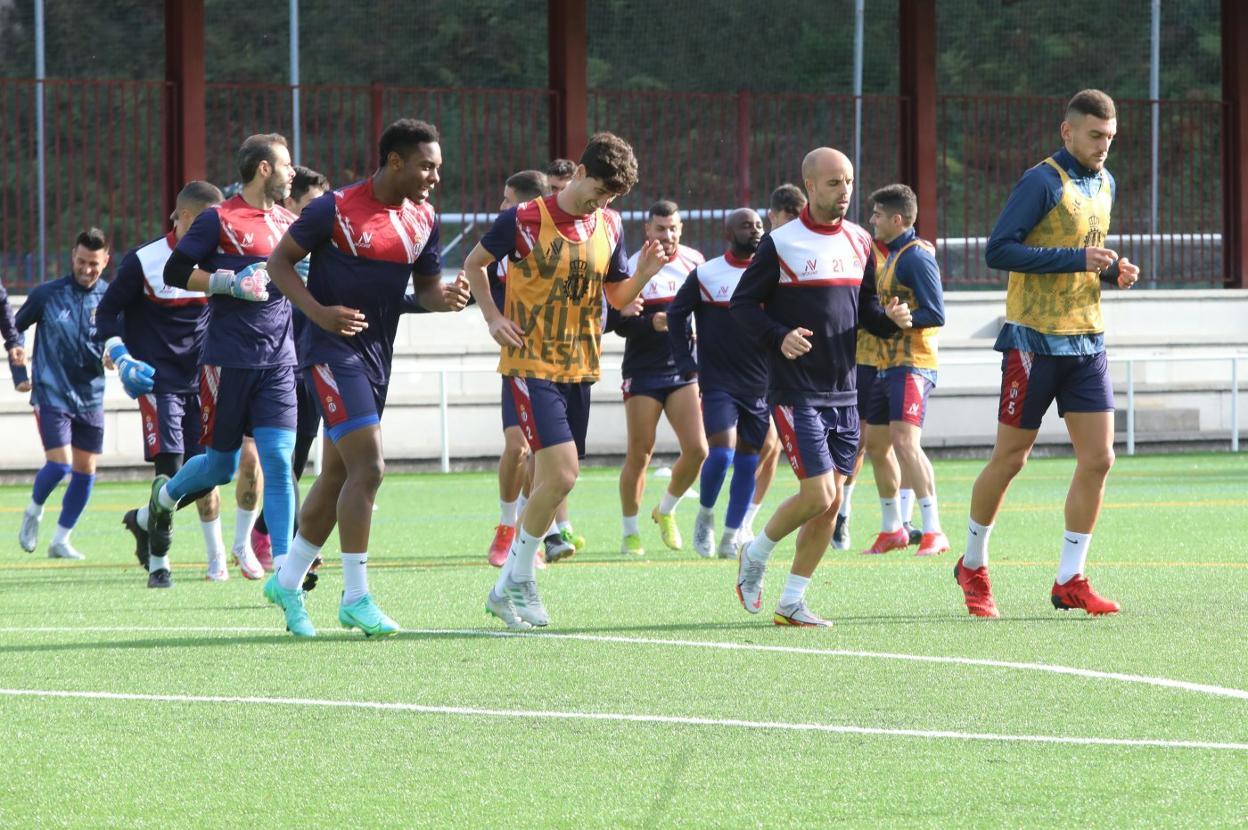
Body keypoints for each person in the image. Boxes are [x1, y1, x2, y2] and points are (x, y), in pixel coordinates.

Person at [266, 118, 470, 638]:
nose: (434, 177)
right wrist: (319, 312)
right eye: (427, 166)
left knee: (338, 474)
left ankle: (287, 581)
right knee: (371, 468)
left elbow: (424, 289)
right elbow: (279, 263)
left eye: (439, 168)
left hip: (377, 356)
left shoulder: (424, 219)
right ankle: (356, 596)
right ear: (395, 161)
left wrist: (442, 299)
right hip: (330, 351)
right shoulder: (332, 208)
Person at [465, 131, 665, 630]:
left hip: (580, 364)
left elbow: (617, 298)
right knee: (564, 474)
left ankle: (505, 586)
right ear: (578, 172)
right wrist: (492, 317)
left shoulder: (609, 224)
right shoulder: (524, 218)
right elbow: (475, 265)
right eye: (598, 191)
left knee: (557, 481)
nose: (602, 202)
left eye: (612, 197)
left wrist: (643, 273)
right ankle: (522, 579)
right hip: (530, 363)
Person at [956, 89, 1139, 618]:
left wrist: (1111, 269)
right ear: (1068, 132)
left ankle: (1070, 578)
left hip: (1087, 339)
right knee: (1010, 459)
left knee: (1099, 458)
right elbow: (999, 250)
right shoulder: (1040, 181)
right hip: (1033, 341)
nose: (1103, 146)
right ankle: (972, 564)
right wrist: (1077, 258)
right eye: (1094, 135)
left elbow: (1085, 250)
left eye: (1110, 137)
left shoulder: (1106, 182)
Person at [730, 147, 911, 627]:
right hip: (795, 390)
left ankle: (792, 600)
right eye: (833, 183)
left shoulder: (858, 241)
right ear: (809, 186)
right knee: (818, 493)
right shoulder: (782, 243)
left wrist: (890, 321)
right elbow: (743, 306)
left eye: (848, 181)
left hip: (845, 392)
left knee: (831, 503)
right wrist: (779, 336)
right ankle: (756, 552)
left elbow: (865, 309)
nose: (844, 191)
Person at [135, 133, 299, 592]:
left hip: (279, 361)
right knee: (221, 468)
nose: (292, 172)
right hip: (228, 362)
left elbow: (306, 276)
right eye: (285, 165)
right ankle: (164, 498)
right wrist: (227, 282)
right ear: (263, 169)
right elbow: (174, 271)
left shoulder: (289, 222)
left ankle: (285, 570)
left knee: (278, 462)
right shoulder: (219, 219)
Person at [97, 181, 238, 585]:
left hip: (206, 381)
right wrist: (122, 358)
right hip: (157, 382)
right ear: (192, 219)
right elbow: (106, 314)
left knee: (210, 472)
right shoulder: (145, 260)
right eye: (214, 221)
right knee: (171, 466)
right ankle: (160, 565)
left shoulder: (220, 260)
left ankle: (143, 518)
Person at [666, 208, 766, 559]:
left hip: (762, 381)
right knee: (721, 452)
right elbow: (676, 313)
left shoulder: (772, 274)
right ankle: (705, 514)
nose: (754, 230)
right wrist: (684, 361)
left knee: (749, 459)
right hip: (719, 379)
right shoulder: (707, 274)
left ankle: (730, 534)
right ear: (728, 232)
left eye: (758, 225)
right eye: (745, 225)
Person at [250, 164, 332, 569]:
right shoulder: (278, 252)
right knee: (265, 461)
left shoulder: (327, 251)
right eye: (311, 206)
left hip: (314, 362)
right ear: (290, 205)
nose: (320, 214)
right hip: (274, 365)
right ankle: (282, 539)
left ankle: (266, 531)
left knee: (295, 459)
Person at [860, 183, 949, 557]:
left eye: (878, 215)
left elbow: (936, 313)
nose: (872, 221)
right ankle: (891, 528)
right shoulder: (891, 255)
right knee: (878, 445)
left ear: (897, 219)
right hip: (884, 363)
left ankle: (933, 530)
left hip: (913, 363)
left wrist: (902, 319)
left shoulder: (915, 256)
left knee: (904, 442)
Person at [615, 200, 708, 555]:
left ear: (680, 229)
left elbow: (707, 308)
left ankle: (665, 510)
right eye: (659, 229)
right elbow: (619, 323)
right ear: (647, 231)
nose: (666, 235)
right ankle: (630, 532)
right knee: (640, 454)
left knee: (698, 449)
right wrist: (649, 324)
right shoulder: (629, 267)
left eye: (672, 229)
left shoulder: (695, 262)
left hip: (683, 369)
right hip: (642, 370)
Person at [15, 229, 111, 560]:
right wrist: (19, 373)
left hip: (91, 395)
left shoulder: (111, 299)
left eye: (94, 264)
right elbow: (15, 331)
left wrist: (117, 356)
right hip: (51, 391)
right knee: (60, 467)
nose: (86, 269)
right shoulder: (47, 294)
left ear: (106, 261)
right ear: (73, 257)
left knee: (86, 472)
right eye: (81, 261)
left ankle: (60, 540)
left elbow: (120, 340)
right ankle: (33, 512)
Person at [739, 184, 806, 544]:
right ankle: (730, 519)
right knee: (740, 445)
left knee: (771, 444)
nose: (793, 226)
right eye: (787, 218)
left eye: (799, 218)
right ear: (773, 218)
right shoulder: (767, 251)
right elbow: (743, 305)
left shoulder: (810, 250)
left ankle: (746, 520)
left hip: (783, 364)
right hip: (749, 363)